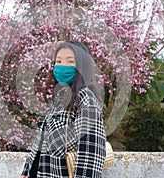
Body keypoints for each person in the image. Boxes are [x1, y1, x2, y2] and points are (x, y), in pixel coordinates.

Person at [21, 41, 106, 178]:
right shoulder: (61, 96)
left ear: (81, 66)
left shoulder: (85, 99)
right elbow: (43, 139)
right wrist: (27, 170)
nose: (62, 66)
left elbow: (90, 153)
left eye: (70, 61)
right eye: (58, 61)